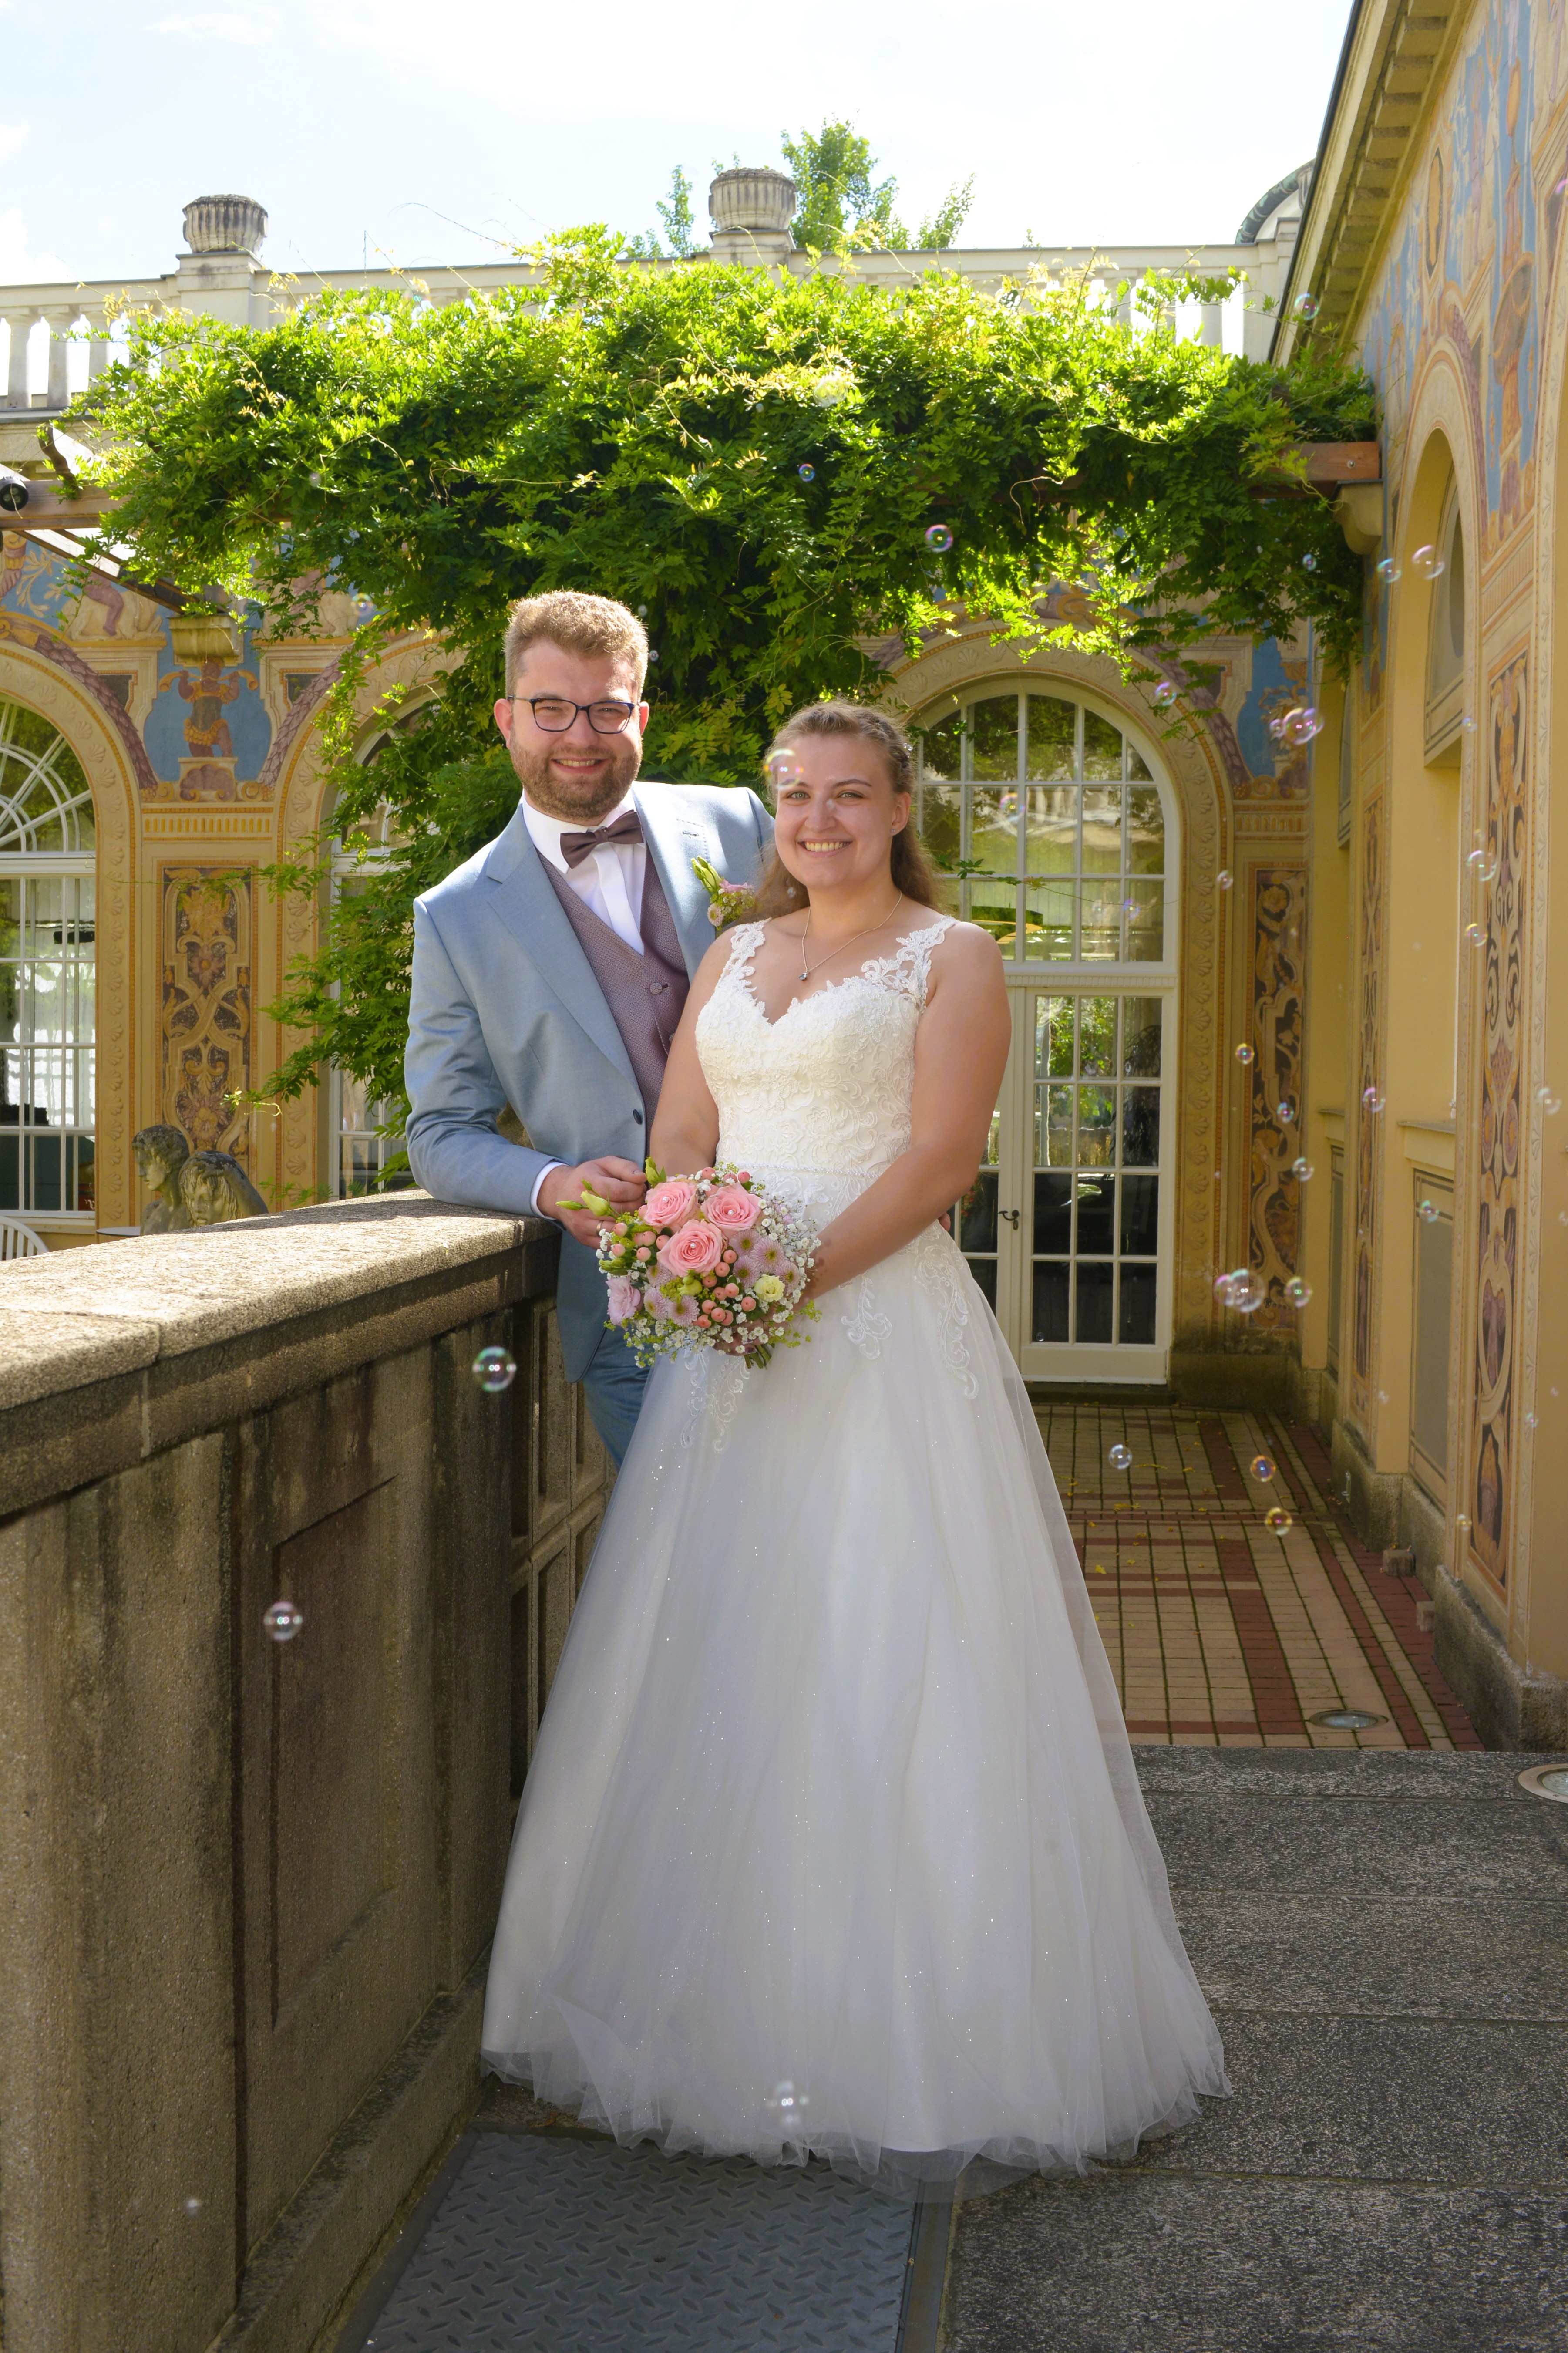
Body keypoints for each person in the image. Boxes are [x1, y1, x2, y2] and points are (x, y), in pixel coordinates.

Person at [481, 699, 1227, 2195]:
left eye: (847, 796)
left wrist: (780, 1279)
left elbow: (941, 1159)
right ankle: (721, 2007)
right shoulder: (733, 956)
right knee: (729, 1658)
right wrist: (698, 1242)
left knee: (893, 1647)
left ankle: (914, 2031)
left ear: (899, 810)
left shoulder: (953, 959)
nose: (817, 820)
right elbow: (688, 1127)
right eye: (795, 795)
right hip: (732, 1351)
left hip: (877, 1332)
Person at [404, 591, 771, 1462]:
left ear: (640, 714)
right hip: (632, 1313)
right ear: (506, 718)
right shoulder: (455, 915)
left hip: (804, 1254)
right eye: (551, 708)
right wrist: (551, 1181)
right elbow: (439, 1131)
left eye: (607, 708)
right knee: (692, 1569)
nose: (579, 735)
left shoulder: (744, 825)